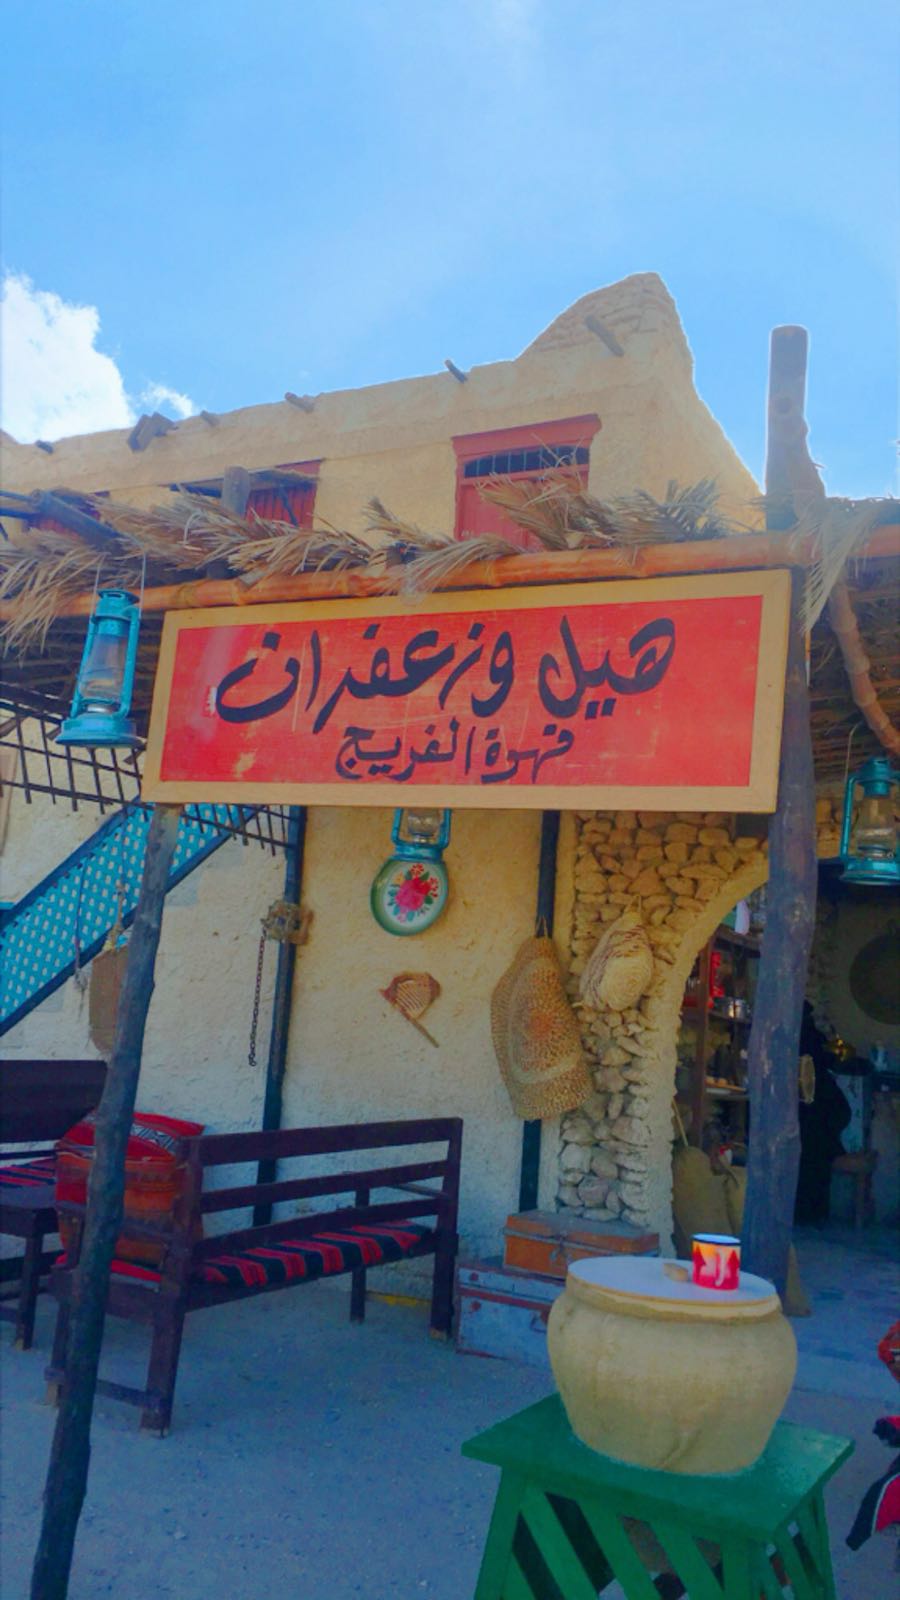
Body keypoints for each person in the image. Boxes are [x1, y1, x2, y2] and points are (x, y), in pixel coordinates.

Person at [794, 1003, 854, 1224]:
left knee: (811, 1162)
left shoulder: (809, 1036)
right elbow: (840, 1058)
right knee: (813, 1164)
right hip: (810, 1110)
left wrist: (830, 1033)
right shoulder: (808, 1036)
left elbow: (841, 1056)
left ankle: (809, 1213)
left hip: (815, 1110)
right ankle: (813, 1213)